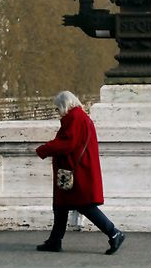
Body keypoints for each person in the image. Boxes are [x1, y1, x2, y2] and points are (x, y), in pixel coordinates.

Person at [35, 90, 125, 255]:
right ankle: (55, 240)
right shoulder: (80, 116)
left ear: (64, 105)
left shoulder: (74, 118)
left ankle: (114, 233)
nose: (57, 112)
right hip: (76, 169)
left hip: (77, 171)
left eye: (57, 108)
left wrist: (44, 149)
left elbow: (68, 143)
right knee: (60, 206)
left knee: (85, 205)